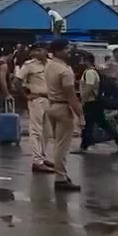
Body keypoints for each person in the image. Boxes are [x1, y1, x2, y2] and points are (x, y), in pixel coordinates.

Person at [44, 39, 83, 191]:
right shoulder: (65, 70)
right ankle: (60, 177)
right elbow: (70, 95)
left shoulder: (49, 65)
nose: (69, 51)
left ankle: (62, 175)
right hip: (62, 107)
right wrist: (80, 115)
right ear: (58, 51)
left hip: (51, 105)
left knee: (57, 143)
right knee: (62, 146)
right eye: (66, 49)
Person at [16, 44, 54, 172]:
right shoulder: (29, 65)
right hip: (37, 99)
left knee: (47, 131)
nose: (37, 53)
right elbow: (17, 81)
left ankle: (42, 156)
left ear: (46, 51)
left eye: (40, 50)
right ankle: (37, 161)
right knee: (36, 130)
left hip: (50, 100)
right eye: (35, 50)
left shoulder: (52, 64)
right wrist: (25, 96)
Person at [79, 54, 118, 155]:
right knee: (92, 124)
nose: (80, 63)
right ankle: (84, 146)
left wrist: (83, 100)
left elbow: (90, 86)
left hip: (92, 102)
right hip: (95, 102)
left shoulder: (89, 72)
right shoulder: (94, 71)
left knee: (96, 124)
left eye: (82, 61)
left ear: (86, 61)